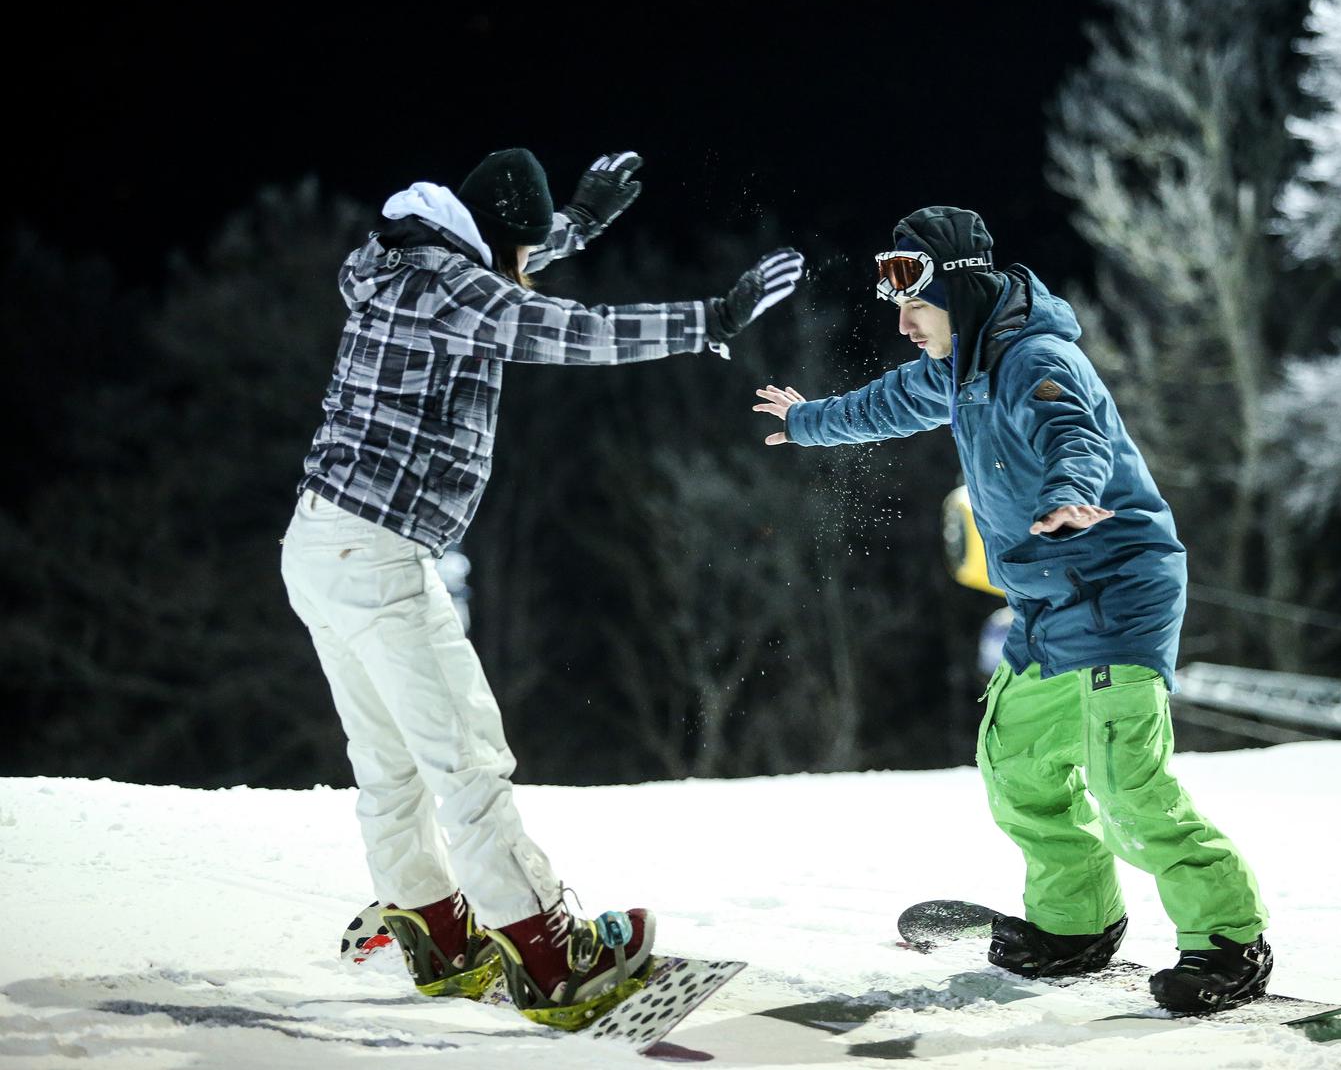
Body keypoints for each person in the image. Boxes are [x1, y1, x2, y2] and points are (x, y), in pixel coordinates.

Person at [281, 147, 803, 1026]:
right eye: (524, 252)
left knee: (392, 761)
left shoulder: (400, 262)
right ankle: (548, 953)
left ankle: (437, 932)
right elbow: (565, 329)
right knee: (467, 758)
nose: (527, 268)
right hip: (377, 556)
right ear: (492, 243)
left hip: (322, 543)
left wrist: (579, 223)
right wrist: (711, 318)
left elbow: (500, 263)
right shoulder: (449, 286)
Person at [752, 206, 1270, 1012]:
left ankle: (1228, 941)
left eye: (915, 307)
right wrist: (807, 421)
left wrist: (1067, 494)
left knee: (1126, 785)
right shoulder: (960, 367)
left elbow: (1074, 435)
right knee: (1018, 769)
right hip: (1041, 602)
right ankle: (1074, 923)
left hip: (1114, 591)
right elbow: (888, 403)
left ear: (959, 294)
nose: (903, 325)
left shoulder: (1035, 358)